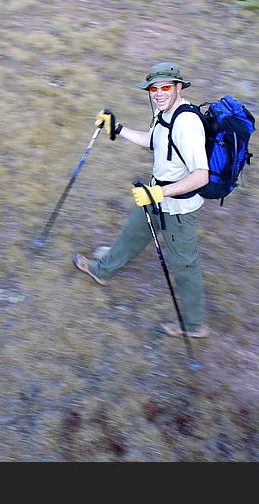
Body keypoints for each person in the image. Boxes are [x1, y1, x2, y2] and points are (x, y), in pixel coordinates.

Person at [72, 62, 211, 338]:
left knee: (184, 266)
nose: (158, 93)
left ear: (178, 88)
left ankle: (195, 325)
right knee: (132, 234)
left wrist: (159, 193)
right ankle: (102, 270)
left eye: (165, 88)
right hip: (155, 196)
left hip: (178, 209)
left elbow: (201, 176)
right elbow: (154, 141)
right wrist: (118, 128)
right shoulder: (163, 114)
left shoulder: (187, 123)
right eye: (154, 88)